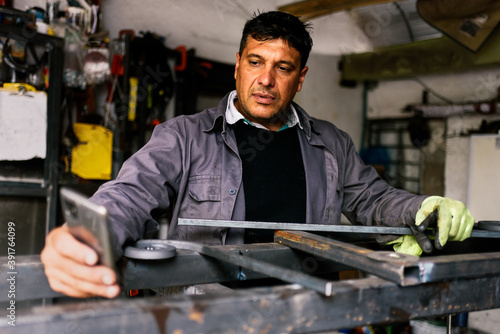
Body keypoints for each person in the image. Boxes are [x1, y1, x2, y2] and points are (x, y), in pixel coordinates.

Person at [41, 11, 475, 299]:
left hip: (303, 311)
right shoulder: (186, 137)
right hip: (208, 317)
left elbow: (373, 200)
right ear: (237, 64)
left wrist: (423, 207)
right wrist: (86, 238)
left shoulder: (330, 143)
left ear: (300, 78)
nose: (265, 79)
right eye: (255, 62)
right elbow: (129, 195)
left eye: (282, 68)